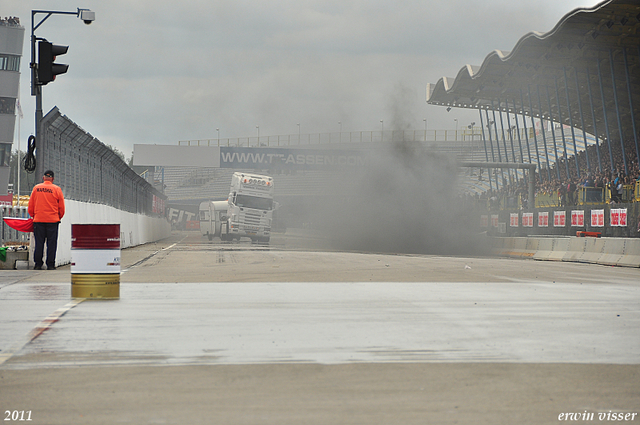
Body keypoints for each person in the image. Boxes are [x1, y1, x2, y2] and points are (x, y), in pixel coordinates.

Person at [28, 170, 65, 270]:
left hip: (38, 220)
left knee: (39, 243)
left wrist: (34, 216)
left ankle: (38, 264)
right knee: (51, 243)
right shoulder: (57, 189)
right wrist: (58, 217)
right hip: (53, 221)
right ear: (52, 179)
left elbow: (31, 205)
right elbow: (61, 207)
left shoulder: (36, 188)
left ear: (43, 178)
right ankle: (51, 264)